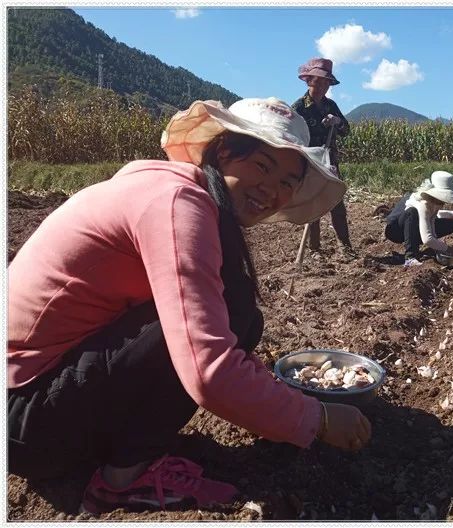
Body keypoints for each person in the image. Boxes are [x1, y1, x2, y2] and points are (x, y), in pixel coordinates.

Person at [7, 97, 372, 515]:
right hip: (25, 422)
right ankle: (118, 482)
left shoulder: (169, 186)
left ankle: (115, 444)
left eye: (288, 181)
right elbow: (207, 368)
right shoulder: (179, 204)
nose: (273, 190)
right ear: (222, 152)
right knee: (231, 316)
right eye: (263, 166)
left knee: (234, 316)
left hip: (36, 396)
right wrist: (316, 418)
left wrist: (271, 398)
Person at [291, 57, 354, 256]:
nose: (323, 85)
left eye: (327, 82)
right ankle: (314, 249)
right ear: (309, 81)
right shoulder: (298, 107)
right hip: (309, 162)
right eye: (319, 81)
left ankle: (345, 246)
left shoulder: (331, 106)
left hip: (330, 161)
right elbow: (291, 135)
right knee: (313, 205)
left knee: (337, 202)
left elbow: (347, 130)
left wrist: (337, 121)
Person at [384, 170, 453, 267]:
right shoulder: (423, 204)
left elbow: (431, 224)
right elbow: (427, 239)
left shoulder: (435, 203)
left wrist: (438, 248)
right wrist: (450, 249)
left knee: (450, 224)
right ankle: (410, 257)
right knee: (412, 213)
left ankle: (426, 247)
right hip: (396, 230)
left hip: (413, 227)